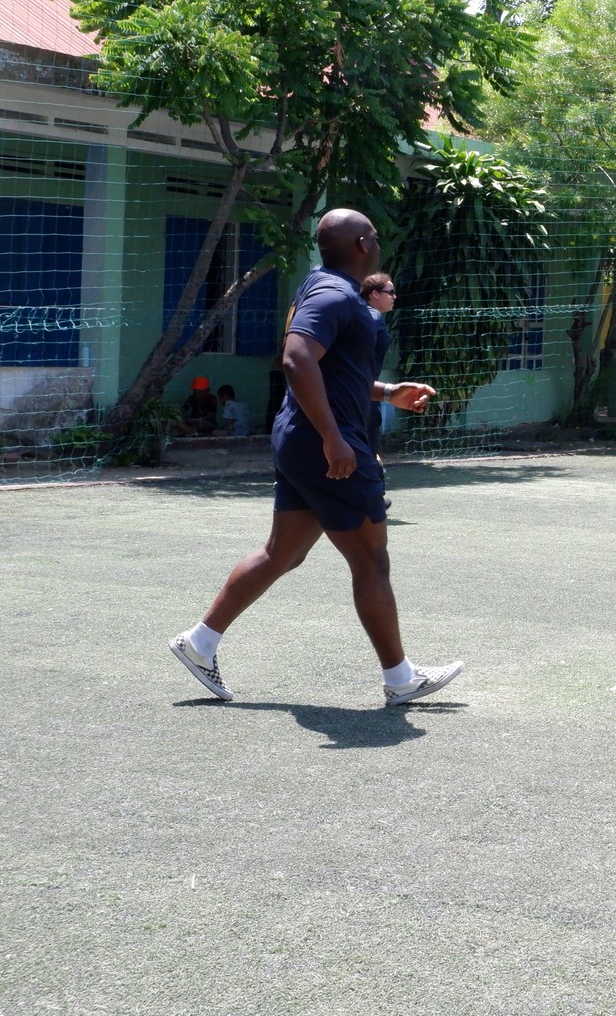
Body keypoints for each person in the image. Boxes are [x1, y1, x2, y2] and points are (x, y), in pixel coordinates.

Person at [164, 208, 456, 706]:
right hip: (328, 445)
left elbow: (332, 371)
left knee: (284, 552)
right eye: (377, 236)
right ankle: (401, 679)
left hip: (305, 439)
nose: (379, 243)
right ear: (364, 242)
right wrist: (333, 439)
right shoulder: (334, 293)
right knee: (371, 560)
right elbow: (297, 359)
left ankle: (199, 642)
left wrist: (387, 394)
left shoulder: (320, 286)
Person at [361, 272, 398, 438]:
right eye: (390, 292)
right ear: (374, 294)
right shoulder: (372, 317)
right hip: (363, 395)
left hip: (364, 391)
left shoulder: (366, 314)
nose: (394, 297)